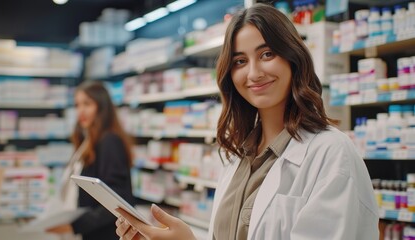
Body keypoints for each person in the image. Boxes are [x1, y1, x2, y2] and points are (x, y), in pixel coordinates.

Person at [115, 3, 379, 240]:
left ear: (293, 58)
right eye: (240, 61)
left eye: (267, 55)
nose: (254, 73)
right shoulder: (237, 156)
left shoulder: (331, 153)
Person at [47, 81, 137, 240]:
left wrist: (73, 226)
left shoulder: (109, 141)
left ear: (102, 107)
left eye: (87, 104)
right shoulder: (88, 141)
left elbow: (116, 200)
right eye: (77, 105)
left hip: (107, 234)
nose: (81, 111)